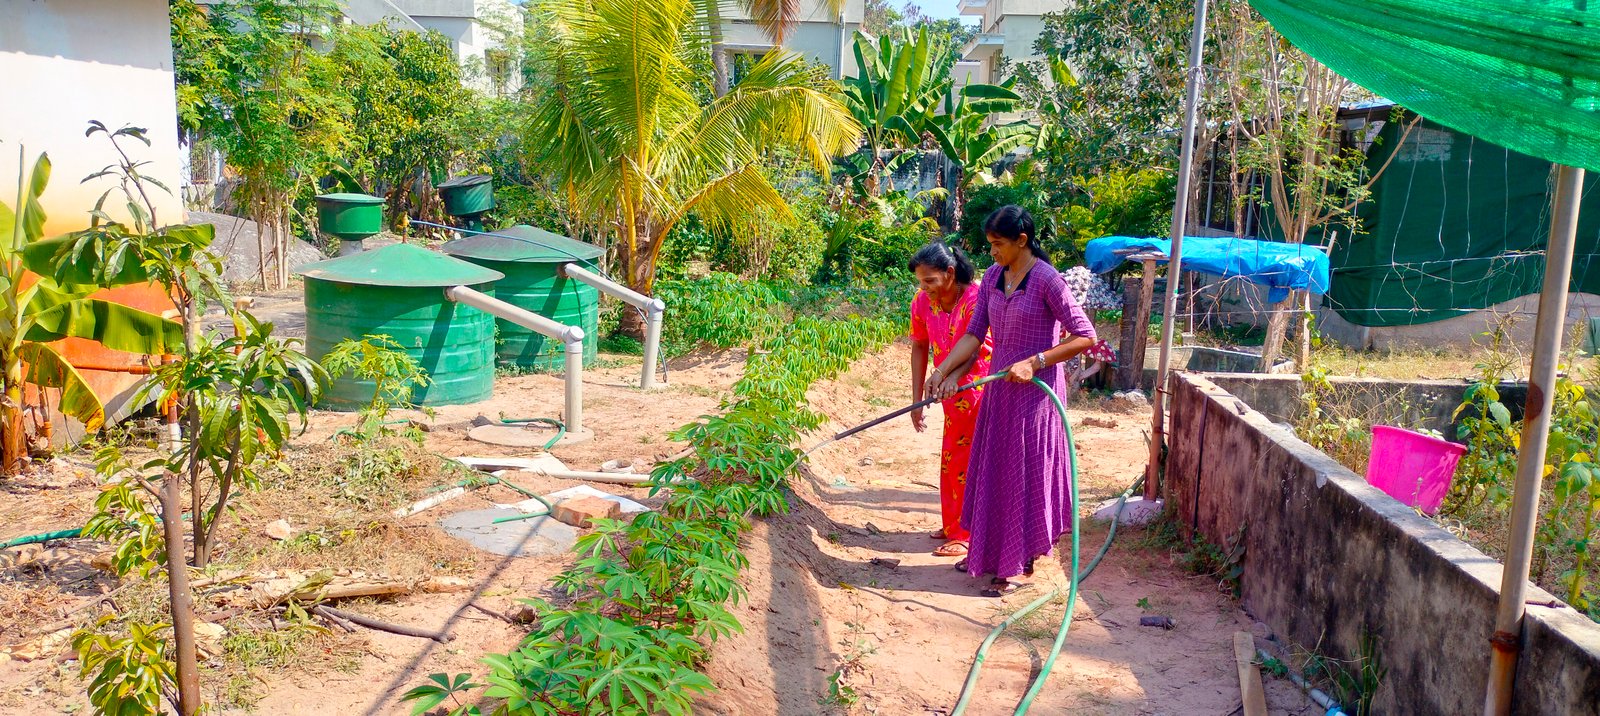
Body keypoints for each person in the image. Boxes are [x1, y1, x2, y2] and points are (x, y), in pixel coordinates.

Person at [928, 205, 1097, 596]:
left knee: (1024, 474)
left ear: (1021, 241)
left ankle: (1021, 566)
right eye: (990, 245)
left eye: (999, 245)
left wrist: (1036, 361)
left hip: (1035, 395)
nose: (993, 253)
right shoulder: (992, 277)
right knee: (996, 471)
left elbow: (1084, 335)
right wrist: (942, 371)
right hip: (1000, 389)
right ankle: (988, 555)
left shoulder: (1046, 280)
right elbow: (973, 334)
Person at [908, 242, 993, 559]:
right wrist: (916, 400)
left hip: (976, 386)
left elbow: (976, 347)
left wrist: (952, 378)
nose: (924, 287)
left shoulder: (975, 298)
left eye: (930, 280)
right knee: (951, 457)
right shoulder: (922, 303)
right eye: (920, 281)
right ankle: (953, 524)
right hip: (945, 388)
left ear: (950, 273)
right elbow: (919, 346)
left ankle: (965, 533)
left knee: (966, 459)